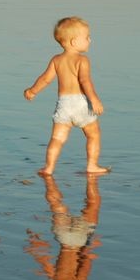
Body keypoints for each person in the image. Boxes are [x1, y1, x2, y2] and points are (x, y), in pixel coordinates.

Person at [24, 16, 109, 176]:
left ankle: (48, 168)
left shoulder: (56, 60)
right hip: (80, 103)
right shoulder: (82, 60)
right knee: (93, 134)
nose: (90, 39)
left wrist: (32, 91)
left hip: (63, 104)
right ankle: (92, 165)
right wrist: (95, 99)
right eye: (86, 37)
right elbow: (85, 81)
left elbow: (45, 79)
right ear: (74, 42)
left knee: (57, 138)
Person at [25, 174, 102, 280]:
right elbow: (44, 259)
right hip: (62, 237)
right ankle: (49, 180)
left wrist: (92, 247)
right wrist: (35, 245)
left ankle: (92, 179)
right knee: (56, 205)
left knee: (93, 204)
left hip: (80, 240)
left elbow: (85, 264)